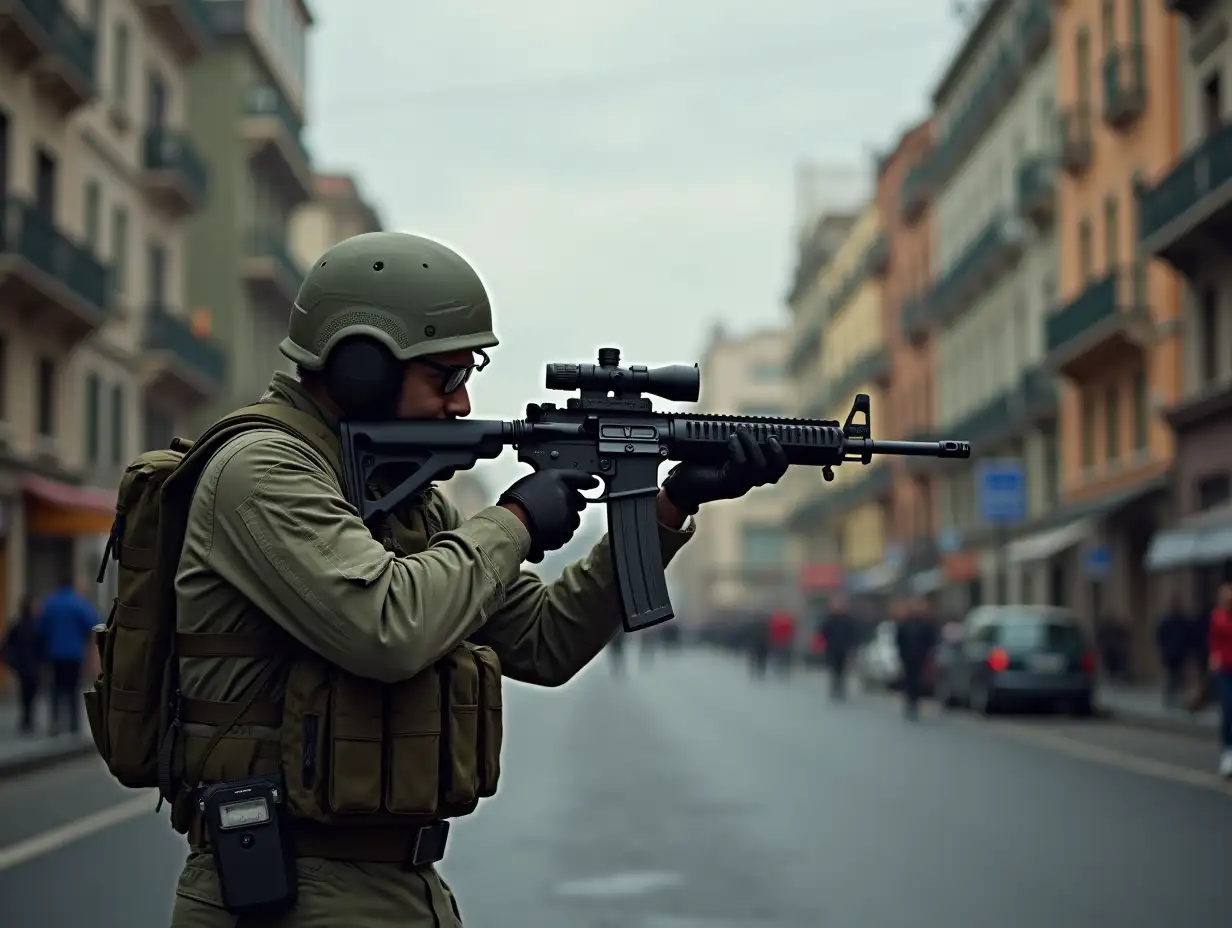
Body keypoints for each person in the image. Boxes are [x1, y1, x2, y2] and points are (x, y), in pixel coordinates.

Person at [168, 232, 789, 928]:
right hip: (283, 892)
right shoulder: (263, 472)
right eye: (445, 379)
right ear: (361, 369)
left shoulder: (398, 499)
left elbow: (544, 639)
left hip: (392, 885)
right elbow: (388, 626)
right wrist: (516, 518)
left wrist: (672, 504)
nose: (461, 405)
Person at [38, 581, 98, 736]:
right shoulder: (78, 603)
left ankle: (55, 723)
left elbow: (41, 627)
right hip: (74, 655)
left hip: (55, 654)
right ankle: (73, 724)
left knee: (56, 690)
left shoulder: (50, 603)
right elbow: (93, 623)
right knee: (72, 689)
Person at [1, 597, 44, 734]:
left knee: (28, 692)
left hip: (27, 664)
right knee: (29, 691)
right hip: (28, 664)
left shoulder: (23, 625)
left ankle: (27, 718)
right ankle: (27, 719)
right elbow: (7, 646)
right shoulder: (29, 626)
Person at [895, 598, 937, 720]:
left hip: (920, 658)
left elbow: (930, 642)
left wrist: (927, 655)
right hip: (908, 658)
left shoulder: (925, 625)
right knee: (909, 681)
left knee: (917, 681)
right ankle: (909, 702)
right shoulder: (905, 625)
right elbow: (899, 641)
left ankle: (915, 702)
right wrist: (901, 656)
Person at [1207, 584, 1232, 778]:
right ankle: (1227, 751)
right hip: (1223, 669)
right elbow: (1214, 640)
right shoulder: (1218, 617)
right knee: (1228, 708)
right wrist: (1214, 658)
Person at [1155, 601, 1191, 708]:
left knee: (1178, 677)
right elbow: (1160, 636)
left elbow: (1187, 636)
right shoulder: (1167, 621)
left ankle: (1178, 699)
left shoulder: (1182, 621)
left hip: (1179, 654)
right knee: (1171, 677)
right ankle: (1170, 699)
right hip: (1170, 654)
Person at [821, 596, 857, 701]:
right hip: (832, 648)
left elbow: (853, 633)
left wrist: (851, 646)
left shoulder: (848, 620)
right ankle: (835, 688)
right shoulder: (829, 619)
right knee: (833, 670)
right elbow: (823, 631)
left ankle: (841, 689)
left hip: (844, 649)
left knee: (842, 671)